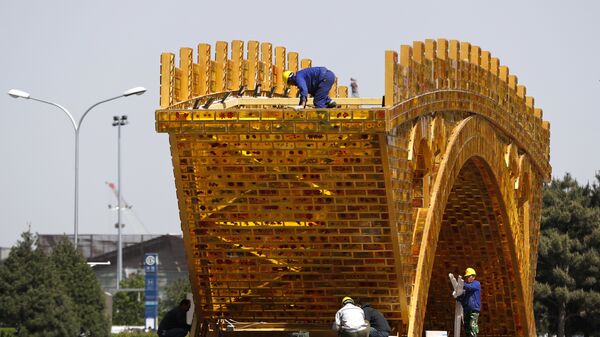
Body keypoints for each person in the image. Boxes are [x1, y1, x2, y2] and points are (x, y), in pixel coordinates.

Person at [457, 267, 481, 337]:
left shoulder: (476, 284)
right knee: (467, 327)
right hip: (467, 310)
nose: (467, 278)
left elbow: (470, 288)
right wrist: (459, 297)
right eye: (466, 277)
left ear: (473, 276)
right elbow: (464, 297)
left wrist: (462, 285)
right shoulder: (466, 287)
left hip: (474, 310)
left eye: (468, 276)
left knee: (472, 325)